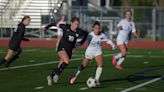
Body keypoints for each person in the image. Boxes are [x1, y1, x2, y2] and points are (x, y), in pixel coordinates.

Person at [46, 17, 88, 86]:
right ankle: (57, 74)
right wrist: (46, 27)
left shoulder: (79, 31)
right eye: (75, 24)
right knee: (66, 61)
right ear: (71, 23)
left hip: (69, 50)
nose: (76, 26)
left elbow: (86, 33)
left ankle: (51, 76)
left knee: (60, 65)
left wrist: (81, 43)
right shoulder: (65, 27)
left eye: (77, 24)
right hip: (61, 47)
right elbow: (55, 24)